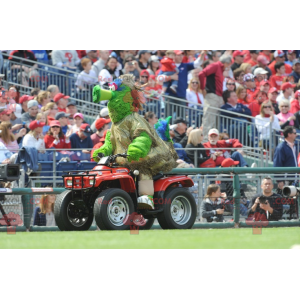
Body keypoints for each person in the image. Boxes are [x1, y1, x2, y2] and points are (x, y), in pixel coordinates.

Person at [198, 55, 232, 140]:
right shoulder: (215, 65)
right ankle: (205, 141)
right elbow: (201, 74)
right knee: (209, 120)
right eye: (229, 64)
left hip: (218, 97)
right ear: (226, 63)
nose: (229, 66)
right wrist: (202, 88)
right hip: (212, 96)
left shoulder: (221, 69)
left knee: (215, 122)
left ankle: (214, 141)